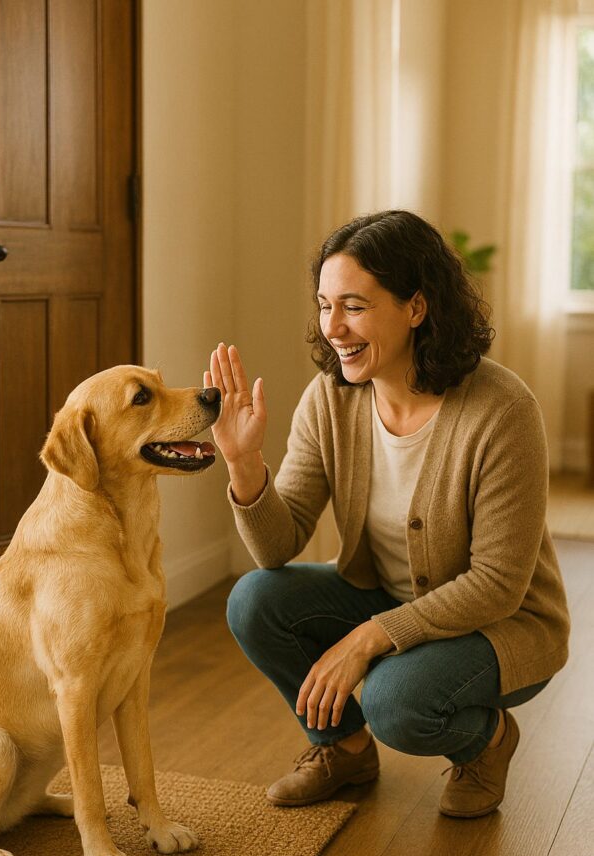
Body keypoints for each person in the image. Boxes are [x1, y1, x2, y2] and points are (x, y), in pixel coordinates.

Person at [204, 210, 570, 818]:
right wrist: (244, 465)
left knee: (398, 702)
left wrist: (369, 639)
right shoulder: (331, 398)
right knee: (254, 598)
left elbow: (499, 585)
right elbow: (277, 547)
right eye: (324, 306)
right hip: (391, 598)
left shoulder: (502, 410)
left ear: (416, 308)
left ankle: (489, 741)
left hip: (502, 626)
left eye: (353, 306)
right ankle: (343, 748)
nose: (333, 328)